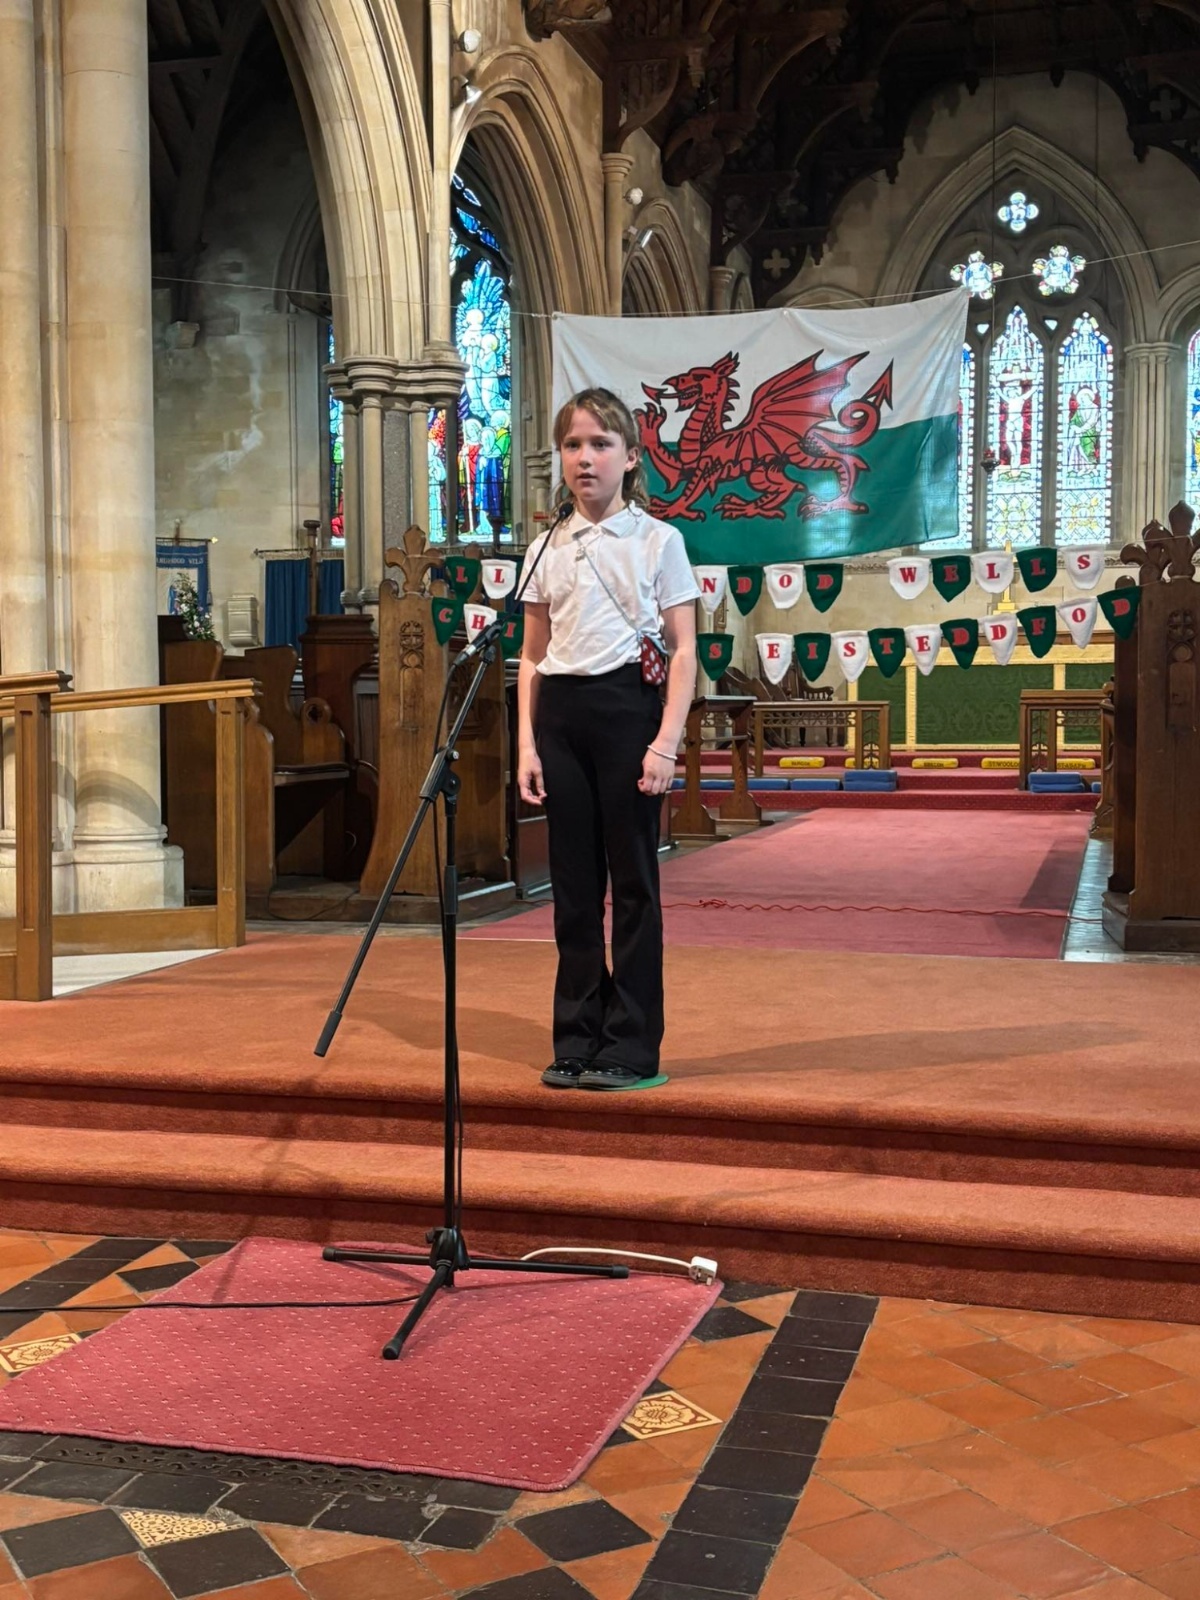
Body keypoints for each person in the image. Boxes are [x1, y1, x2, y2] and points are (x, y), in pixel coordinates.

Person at [517, 387, 699, 1091]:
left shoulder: (659, 541)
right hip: (561, 716)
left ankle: (631, 1044)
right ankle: (576, 1036)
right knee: (572, 888)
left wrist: (666, 742)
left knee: (632, 886)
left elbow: (684, 651)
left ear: (629, 458)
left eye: (599, 444)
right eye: (572, 445)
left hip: (627, 710)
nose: (584, 458)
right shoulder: (544, 547)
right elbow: (532, 656)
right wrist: (527, 745)